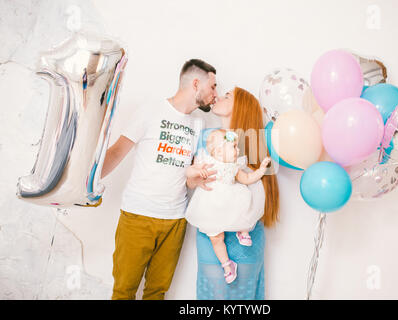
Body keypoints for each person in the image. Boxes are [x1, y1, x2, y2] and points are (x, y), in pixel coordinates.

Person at [101, 59, 218, 300]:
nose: (214, 93)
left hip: (175, 221)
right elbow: (115, 153)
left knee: (157, 293)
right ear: (196, 83)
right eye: (213, 86)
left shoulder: (199, 124)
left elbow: (187, 177)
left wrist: (197, 179)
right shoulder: (150, 110)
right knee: (124, 291)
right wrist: (82, 183)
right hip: (137, 217)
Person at [188, 87, 280, 299]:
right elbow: (192, 183)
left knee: (241, 298)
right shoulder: (204, 137)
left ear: (240, 107)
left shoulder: (254, 140)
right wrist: (193, 179)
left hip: (243, 241)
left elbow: (257, 193)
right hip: (211, 236)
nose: (219, 95)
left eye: (227, 95)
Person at [185, 129, 271, 284]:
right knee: (216, 238)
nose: (238, 150)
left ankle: (242, 231)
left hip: (230, 200)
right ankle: (227, 265)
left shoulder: (235, 166)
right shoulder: (206, 160)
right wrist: (197, 171)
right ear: (219, 152)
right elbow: (189, 171)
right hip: (211, 204)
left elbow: (247, 179)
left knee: (243, 201)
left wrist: (261, 170)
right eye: (234, 147)